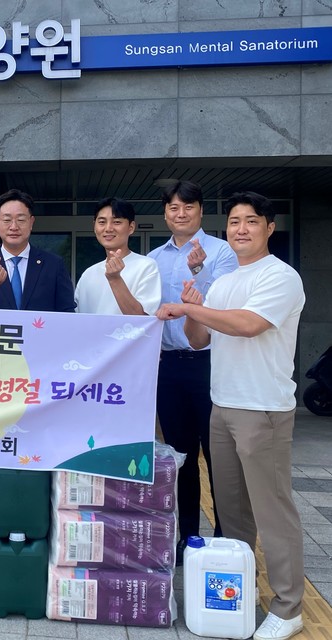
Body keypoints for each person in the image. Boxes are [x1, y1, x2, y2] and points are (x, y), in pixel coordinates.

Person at [157, 191, 305, 640]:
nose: (241, 229)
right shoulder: (223, 282)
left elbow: (248, 325)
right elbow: (199, 338)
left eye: (251, 221)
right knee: (233, 511)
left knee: (272, 509)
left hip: (263, 408)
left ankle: (289, 606)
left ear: (269, 228)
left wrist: (189, 307)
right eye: (235, 222)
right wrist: (193, 309)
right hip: (222, 405)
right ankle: (243, 587)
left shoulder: (280, 276)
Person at [148, 180, 238, 559]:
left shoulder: (223, 251)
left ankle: (224, 536)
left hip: (210, 365)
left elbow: (222, 301)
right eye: (173, 207)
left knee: (218, 454)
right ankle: (187, 536)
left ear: (201, 210)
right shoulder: (153, 258)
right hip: (168, 366)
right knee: (180, 456)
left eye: (188, 207)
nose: (180, 213)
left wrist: (198, 270)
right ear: (165, 214)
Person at [0, 189, 76, 312]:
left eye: (21, 220)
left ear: (31, 222)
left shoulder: (54, 265)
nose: (14, 227)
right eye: (7, 220)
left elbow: (67, 312)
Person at [75, 197, 160, 315]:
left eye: (117, 222)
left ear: (131, 227)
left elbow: (142, 318)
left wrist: (115, 279)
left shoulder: (146, 266)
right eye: (102, 222)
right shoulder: (88, 274)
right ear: (94, 226)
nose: (108, 228)